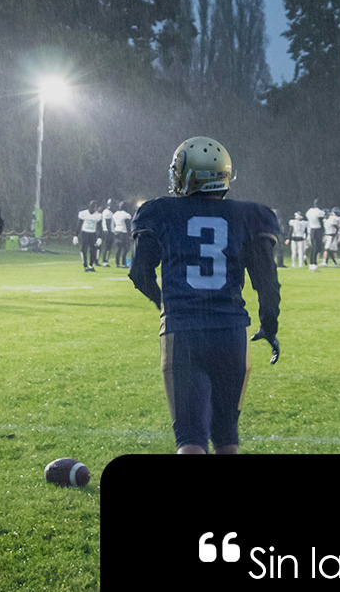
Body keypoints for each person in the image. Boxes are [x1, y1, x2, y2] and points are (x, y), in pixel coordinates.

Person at [129, 136, 280, 455]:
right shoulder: (250, 215)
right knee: (227, 436)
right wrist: (269, 325)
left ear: (187, 174)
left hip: (183, 332)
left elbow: (140, 272)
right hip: (231, 333)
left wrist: (163, 303)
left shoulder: (161, 211)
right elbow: (266, 282)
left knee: (190, 437)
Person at [75, 201, 102, 272]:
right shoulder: (83, 213)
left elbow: (99, 227)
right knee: (84, 249)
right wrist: (76, 235)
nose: (95, 209)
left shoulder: (98, 215)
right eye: (94, 207)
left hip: (93, 234)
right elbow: (79, 224)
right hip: (84, 233)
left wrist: (99, 237)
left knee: (93, 250)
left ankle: (91, 265)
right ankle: (85, 265)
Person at [305, 199, 324, 271]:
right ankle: (314, 264)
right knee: (317, 248)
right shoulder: (319, 212)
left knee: (313, 248)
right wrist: (323, 232)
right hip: (318, 230)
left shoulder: (309, 211)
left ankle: (311, 263)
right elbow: (321, 223)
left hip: (312, 229)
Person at [112, 201, 133, 267]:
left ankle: (117, 263)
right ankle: (124, 263)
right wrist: (130, 234)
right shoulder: (126, 215)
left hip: (116, 231)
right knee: (125, 248)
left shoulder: (115, 214)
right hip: (124, 232)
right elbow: (128, 225)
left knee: (118, 248)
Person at [100, 199, 115, 266]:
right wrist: (109, 233)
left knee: (108, 247)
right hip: (107, 231)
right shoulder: (107, 212)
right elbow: (108, 223)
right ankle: (105, 261)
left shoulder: (109, 212)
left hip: (108, 231)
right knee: (107, 247)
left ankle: (105, 260)